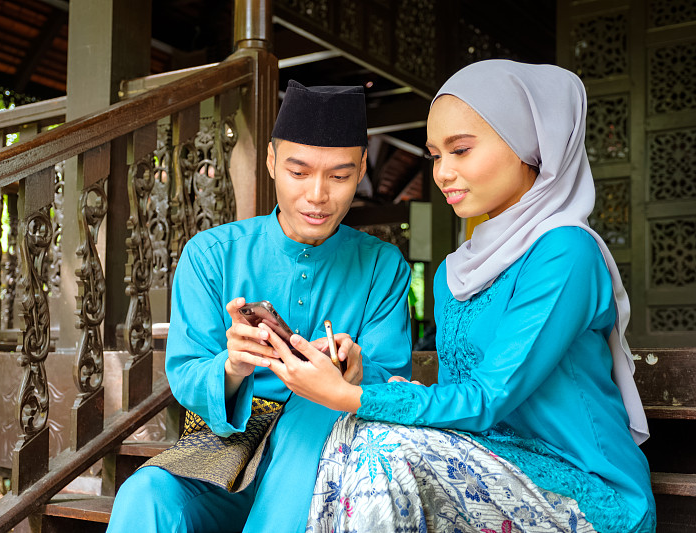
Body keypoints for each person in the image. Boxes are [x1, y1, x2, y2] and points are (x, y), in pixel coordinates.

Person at [261, 60, 656, 532]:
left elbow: (487, 399)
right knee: (349, 432)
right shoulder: (456, 270)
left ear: (527, 144)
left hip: (584, 491)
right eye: (435, 155)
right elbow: (455, 400)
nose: (443, 172)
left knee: (381, 444)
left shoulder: (565, 253)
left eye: (461, 150)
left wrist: (349, 395)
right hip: (485, 468)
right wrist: (356, 384)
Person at [105, 80, 413, 532]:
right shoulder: (211, 254)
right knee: (146, 495)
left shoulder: (382, 267)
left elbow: (393, 379)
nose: (317, 195)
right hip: (225, 445)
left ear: (363, 167)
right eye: (299, 172)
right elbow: (187, 372)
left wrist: (356, 373)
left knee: (314, 408)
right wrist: (233, 366)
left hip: (327, 450)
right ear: (271, 162)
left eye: (340, 176)